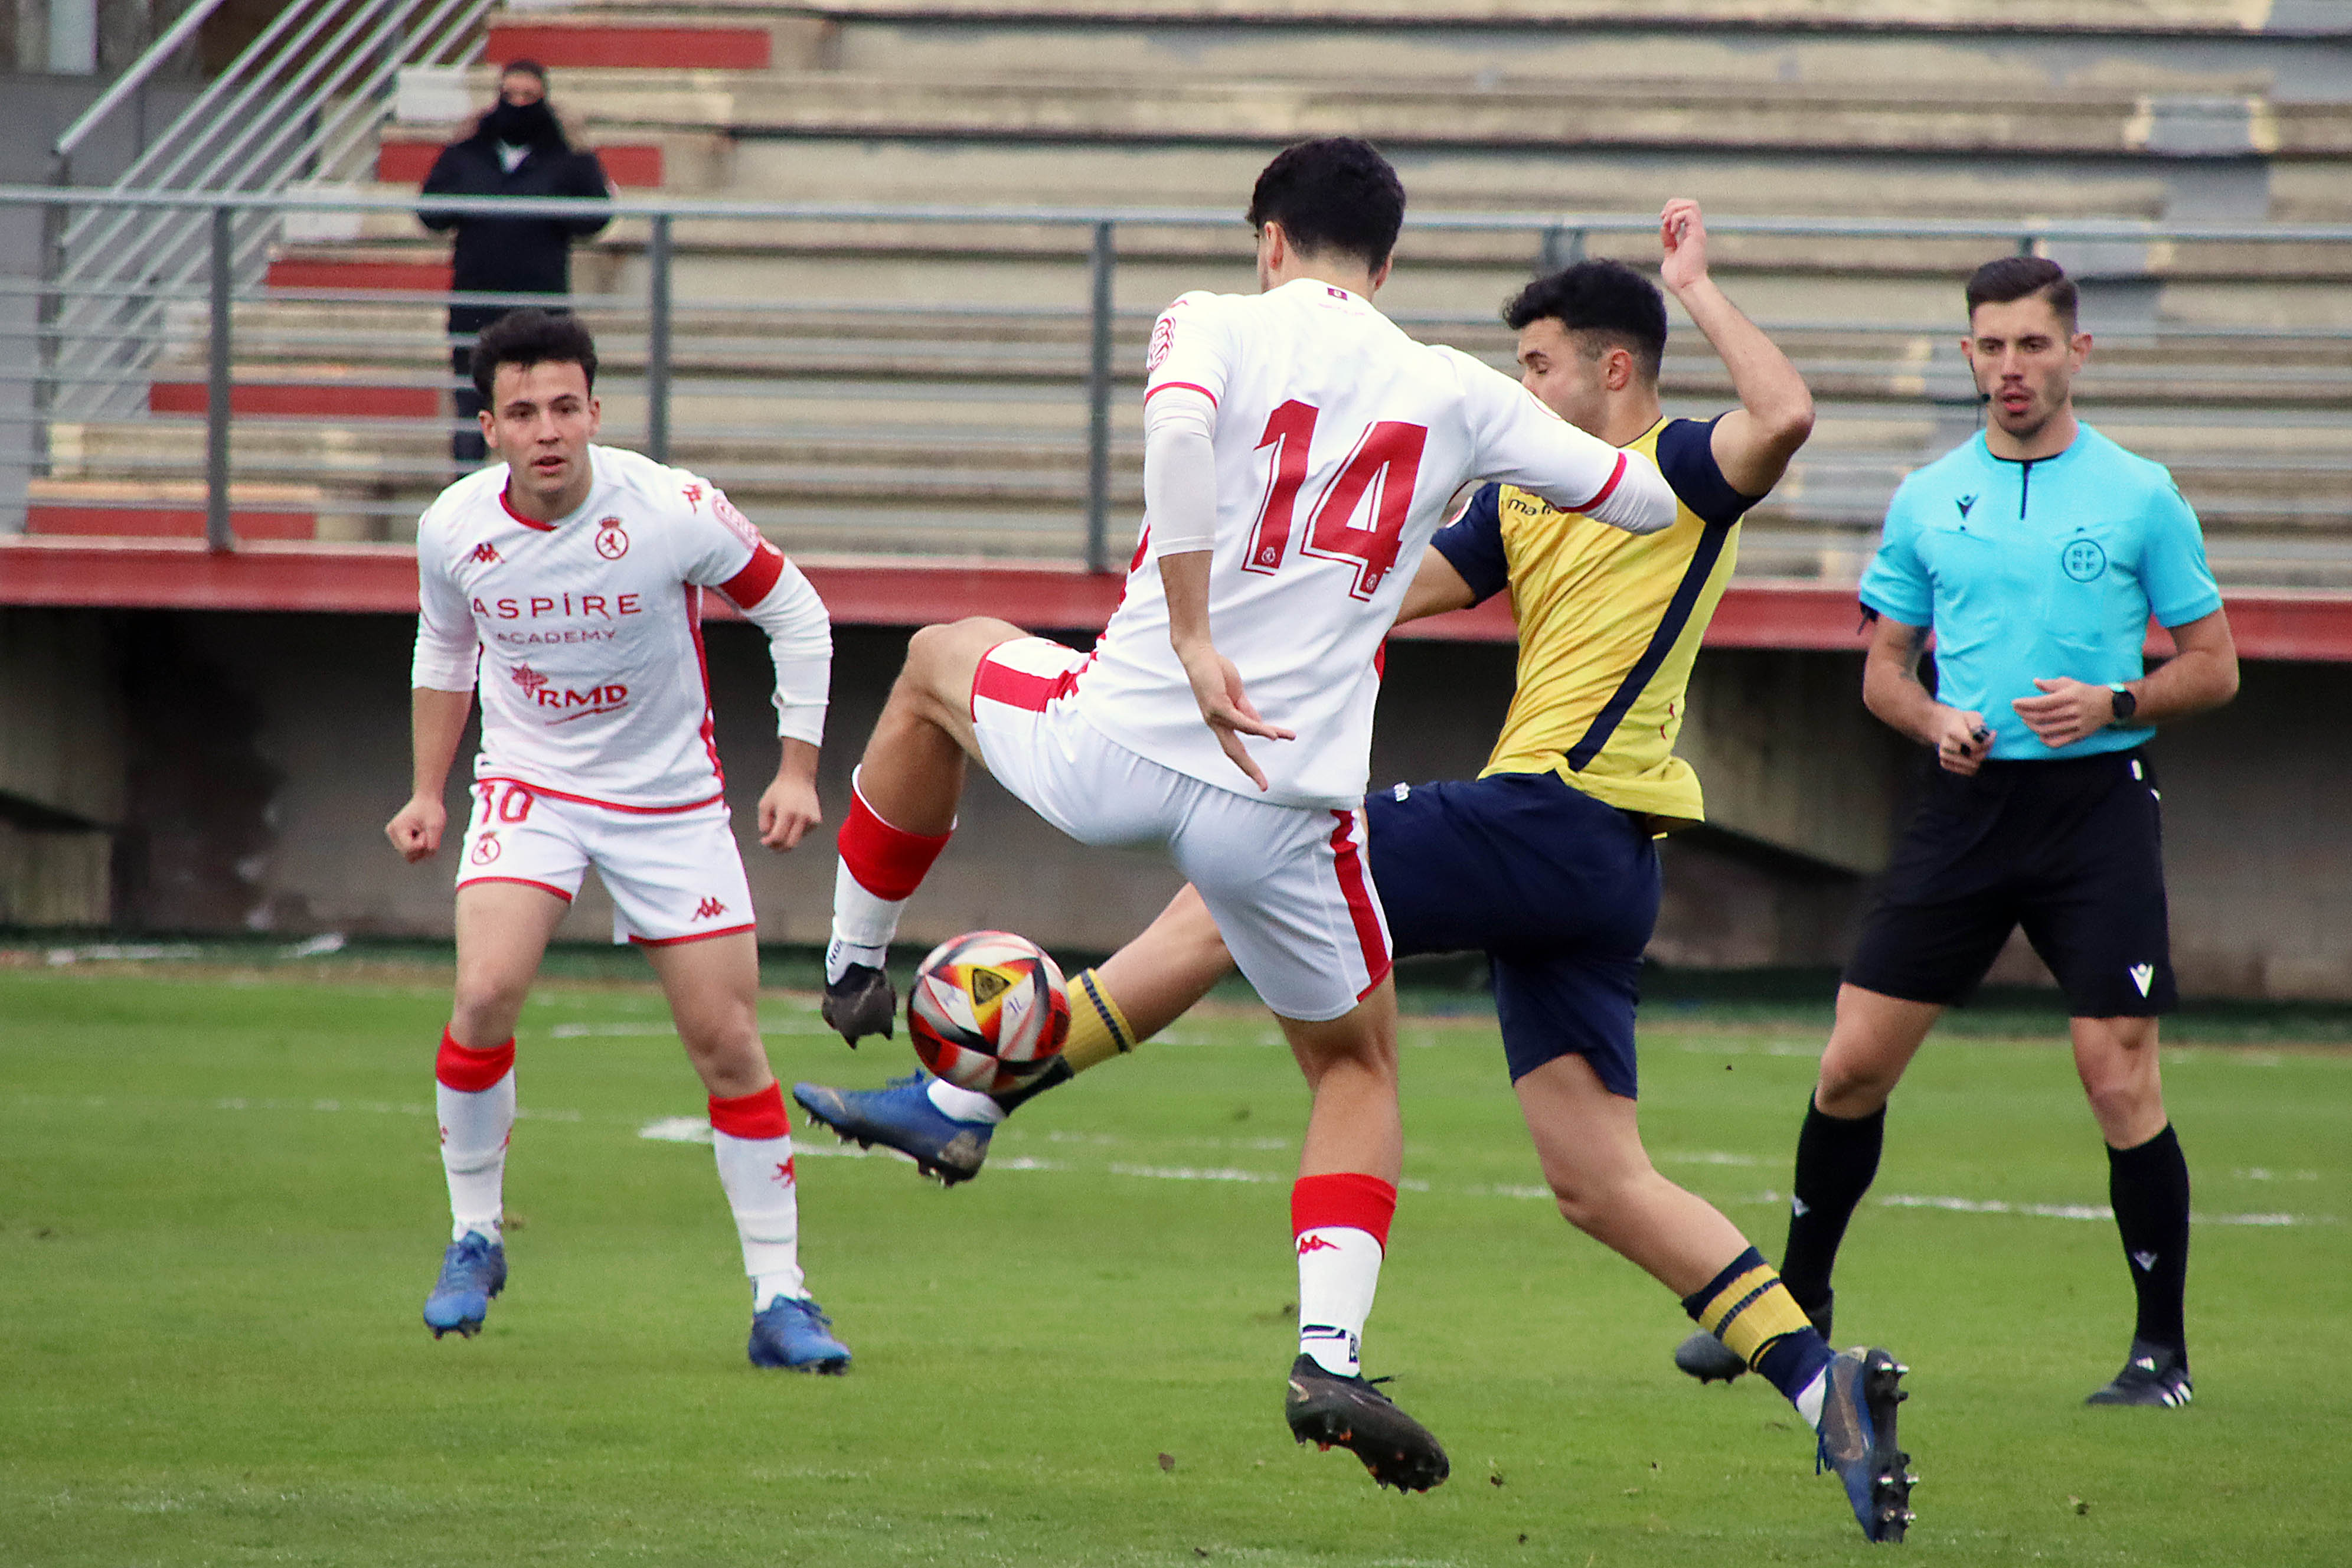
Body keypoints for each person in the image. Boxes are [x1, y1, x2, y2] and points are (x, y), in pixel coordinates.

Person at [799, 202, 1918, 1545]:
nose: (1525, 388)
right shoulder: (1523, 495)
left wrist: (1698, 286)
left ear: (1614, 369)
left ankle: (967, 1094)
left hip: (1548, 817)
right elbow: (1377, 588)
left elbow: (1783, 415)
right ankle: (1822, 1385)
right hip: (1602, 867)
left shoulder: (1682, 465)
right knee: (1599, 1179)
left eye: (1542, 367)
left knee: (1243, 884)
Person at [1668, 256, 2238, 1409]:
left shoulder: (2139, 493)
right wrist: (1934, 718)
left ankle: (2160, 1355)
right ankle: (1791, 1314)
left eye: (2033, 344)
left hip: (2096, 811)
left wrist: (2114, 700)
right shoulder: (1930, 495)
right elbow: (1883, 672)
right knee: (1851, 1064)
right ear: (1969, 353)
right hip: (1967, 812)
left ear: (2078, 353)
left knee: (2115, 1072)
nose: (2011, 366)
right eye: (1992, 344)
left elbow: (2216, 666)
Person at [383, 309, 852, 1372]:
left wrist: (795, 767)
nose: (547, 430)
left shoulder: (671, 508)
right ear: (489, 428)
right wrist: (427, 791)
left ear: (595, 409)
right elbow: (444, 650)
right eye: (521, 412)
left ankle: (782, 1300)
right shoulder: (452, 528)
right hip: (530, 782)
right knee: (482, 994)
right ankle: (473, 1234)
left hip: (669, 800)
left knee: (727, 1045)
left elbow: (798, 612)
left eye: (564, 406)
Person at [419, 60, 612, 466]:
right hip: (474, 304)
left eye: (529, 97)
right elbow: (430, 212)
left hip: (541, 310)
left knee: (541, 412)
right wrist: (455, 145)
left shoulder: (562, 157)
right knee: (472, 412)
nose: (519, 105)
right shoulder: (470, 153)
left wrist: (581, 150)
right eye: (510, 96)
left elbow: (597, 217)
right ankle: (469, 507)